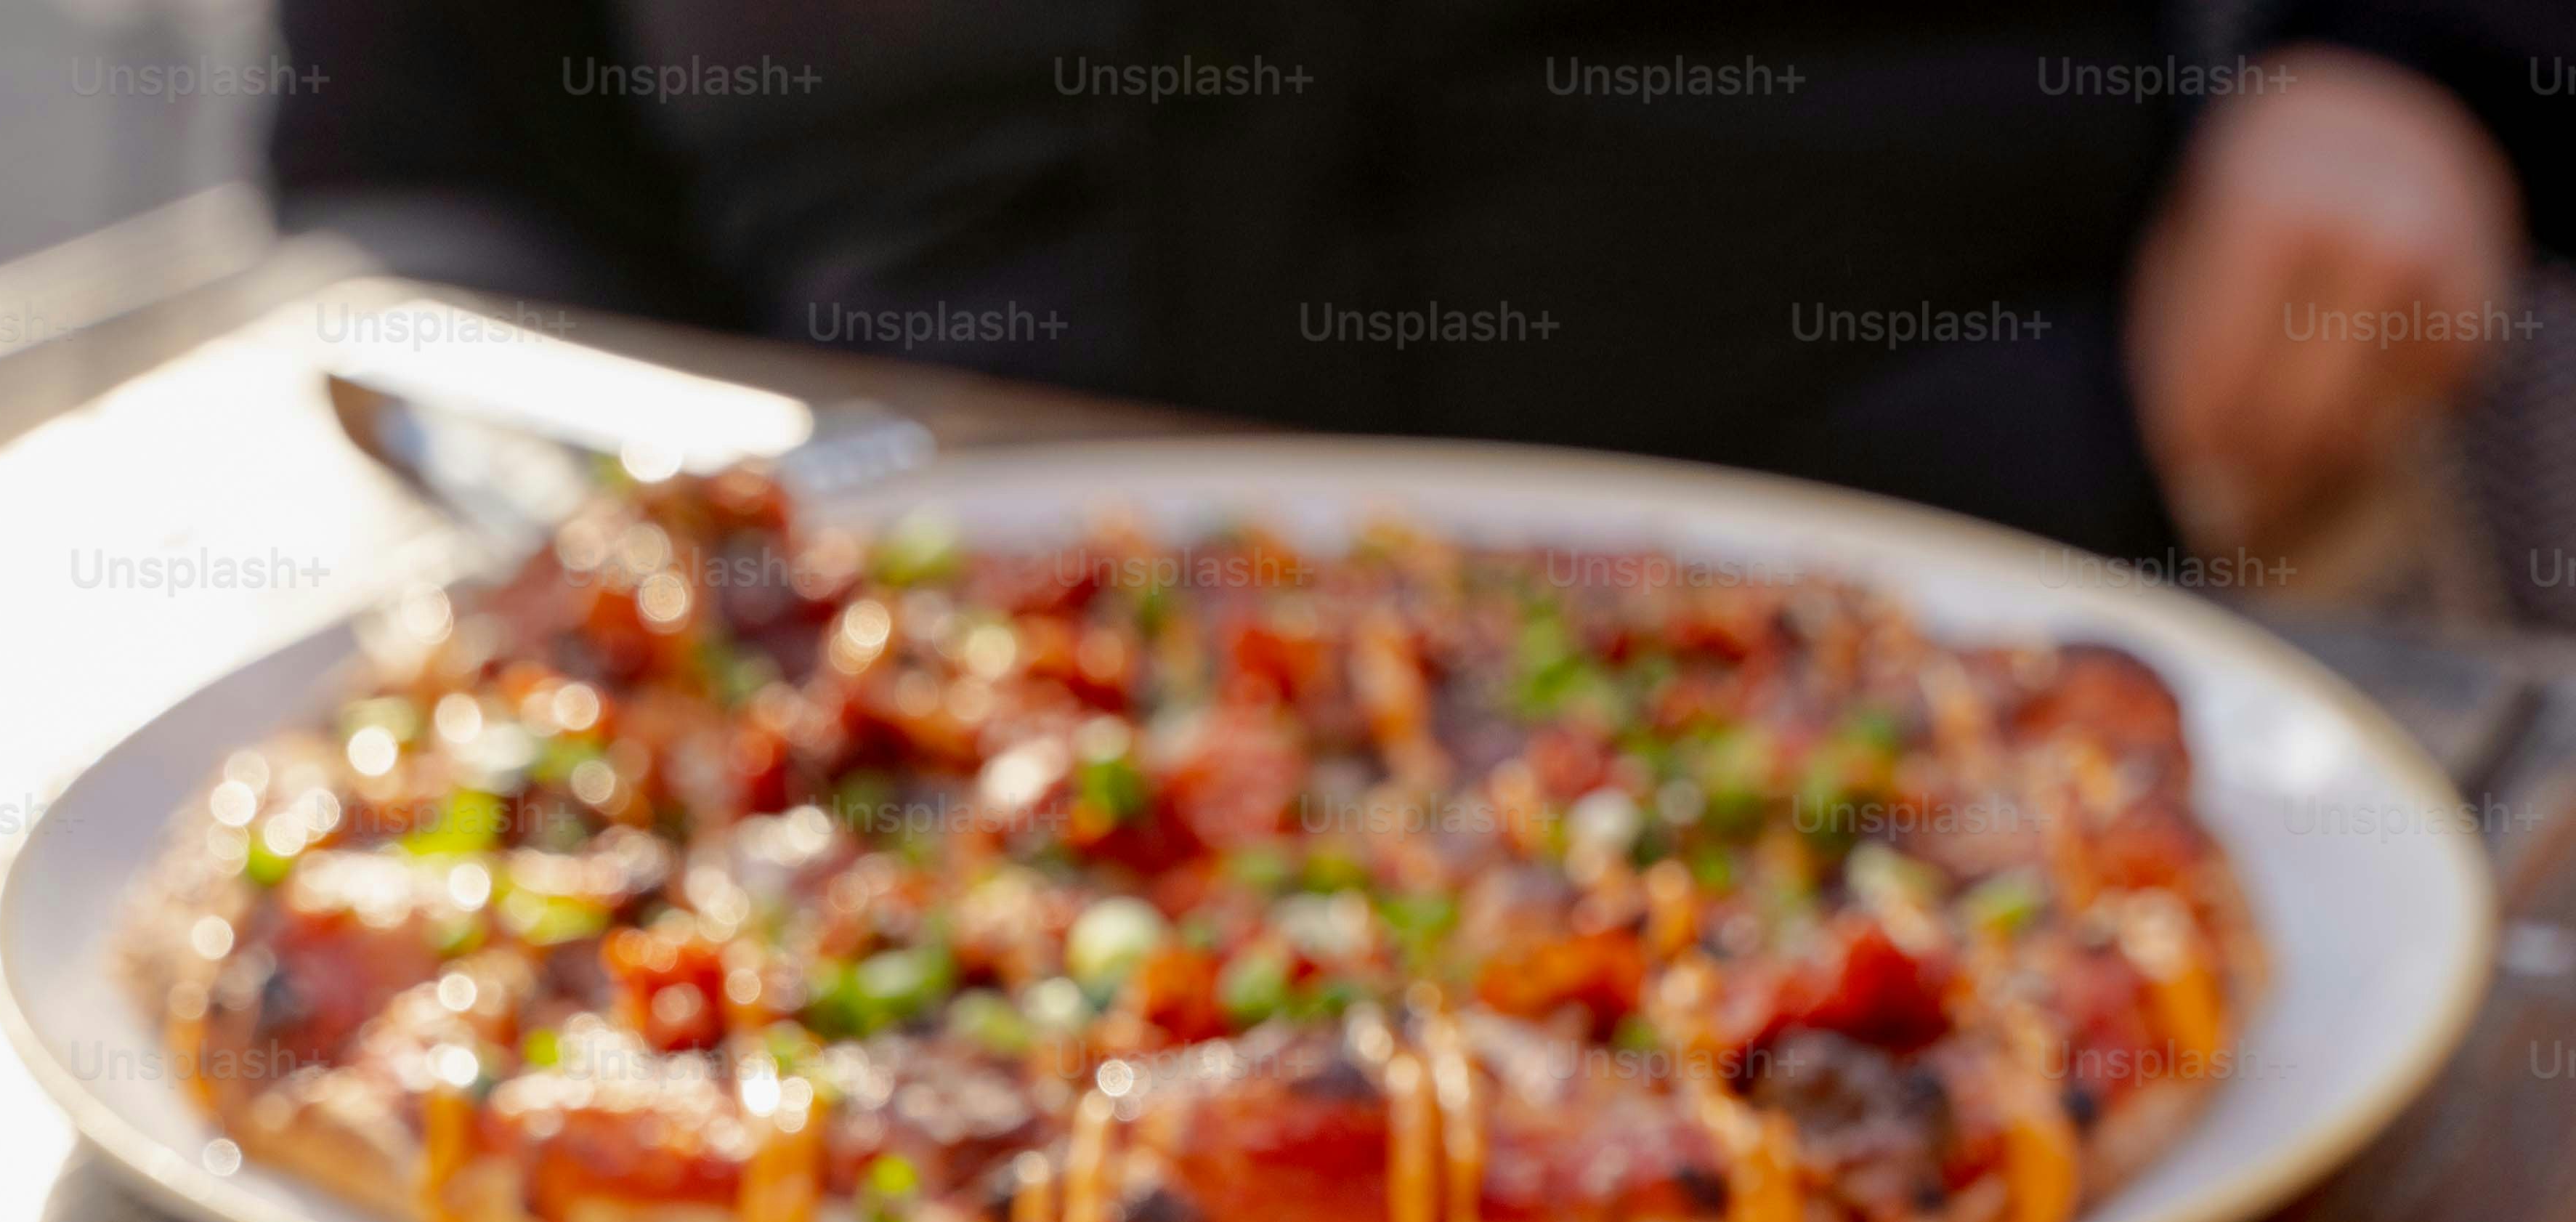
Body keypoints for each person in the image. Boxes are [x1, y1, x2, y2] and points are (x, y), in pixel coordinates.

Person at [270, 4, 2561, 567]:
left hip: (2013, 562)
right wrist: (592, 508)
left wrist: (2425, 64)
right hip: (918, 707)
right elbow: (432, 154)